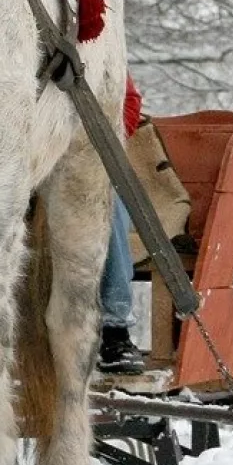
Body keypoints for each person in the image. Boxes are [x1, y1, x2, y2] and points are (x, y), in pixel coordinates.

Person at [98, 76, 147, 375]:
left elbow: (129, 100)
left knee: (108, 200)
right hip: (22, 156)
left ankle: (114, 329)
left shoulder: (101, 42)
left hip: (86, 155)